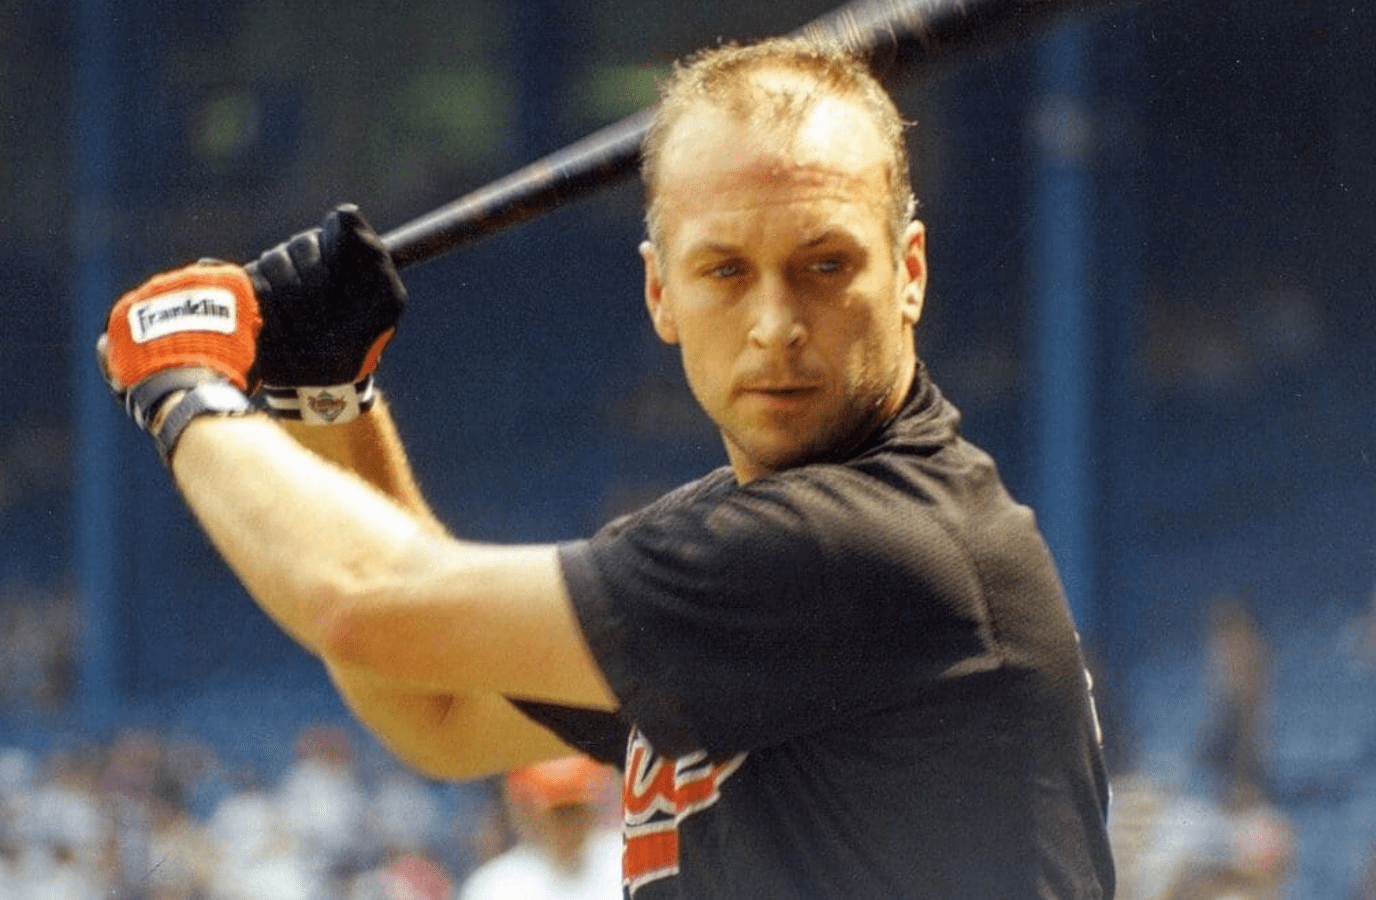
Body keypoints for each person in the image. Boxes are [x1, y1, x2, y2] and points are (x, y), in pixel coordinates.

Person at [98, 36, 1114, 898]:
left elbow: (361, 600)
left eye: (825, 263)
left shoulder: (873, 543)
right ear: (659, 293)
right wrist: (327, 397)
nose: (774, 325)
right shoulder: (730, 548)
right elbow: (436, 710)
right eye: (724, 269)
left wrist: (187, 391)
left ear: (910, 275)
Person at [458, 756, 620, 900]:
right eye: (558, 812)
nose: (568, 822)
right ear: (530, 812)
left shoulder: (624, 861)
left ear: (592, 809)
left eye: (575, 808)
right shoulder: (494, 886)